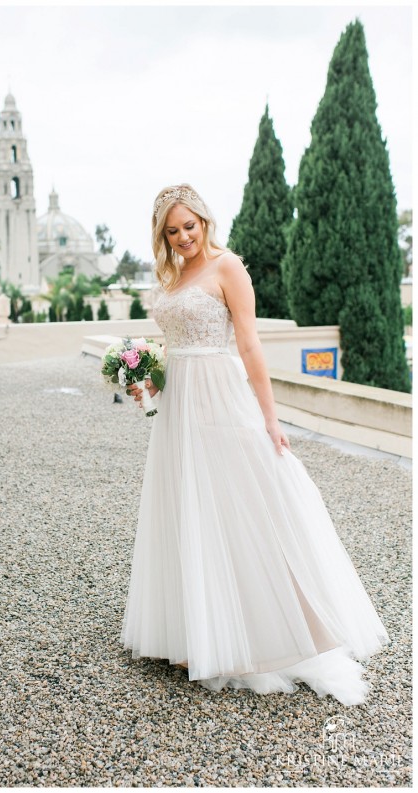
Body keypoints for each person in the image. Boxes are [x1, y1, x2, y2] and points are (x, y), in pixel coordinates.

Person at [119, 183, 389, 705]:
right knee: (187, 504)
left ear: (203, 219)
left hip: (222, 397)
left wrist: (271, 418)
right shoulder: (172, 275)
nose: (183, 238)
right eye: (172, 231)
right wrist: (148, 382)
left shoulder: (228, 268)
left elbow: (248, 343)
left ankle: (265, 630)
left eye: (189, 226)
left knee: (241, 499)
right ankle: (191, 631)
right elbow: (173, 349)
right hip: (179, 407)